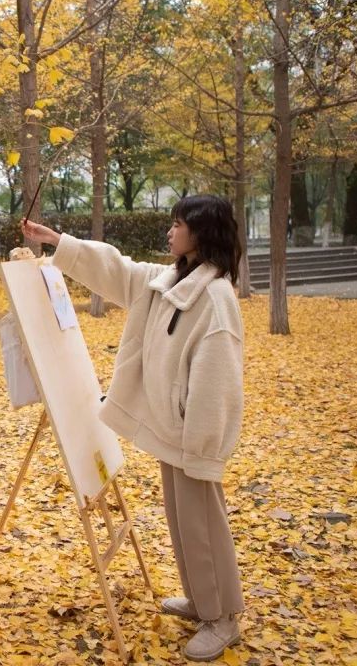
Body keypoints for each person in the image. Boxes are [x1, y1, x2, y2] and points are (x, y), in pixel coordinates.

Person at [22, 194, 245, 662]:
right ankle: (202, 601)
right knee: (184, 524)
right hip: (173, 429)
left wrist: (201, 446)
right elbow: (119, 271)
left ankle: (223, 618)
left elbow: (218, 383)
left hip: (192, 436)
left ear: (201, 233)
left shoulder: (215, 298)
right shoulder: (173, 280)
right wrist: (58, 242)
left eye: (178, 224)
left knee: (204, 525)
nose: (170, 231)